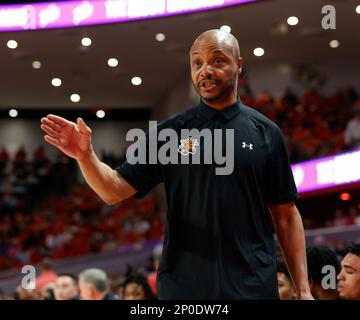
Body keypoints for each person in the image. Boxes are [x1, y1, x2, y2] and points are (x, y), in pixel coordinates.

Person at [40, 29, 312, 299]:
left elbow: (286, 216)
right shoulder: (169, 133)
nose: (205, 70)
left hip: (252, 286)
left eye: (217, 61)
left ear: (238, 66)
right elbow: (113, 190)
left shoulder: (266, 132)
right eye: (197, 63)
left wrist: (303, 290)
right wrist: (85, 157)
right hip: (185, 289)